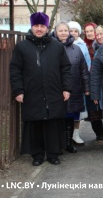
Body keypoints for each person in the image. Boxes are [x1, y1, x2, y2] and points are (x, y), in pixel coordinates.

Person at [9, 12, 72, 166]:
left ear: (47, 27)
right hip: (32, 92)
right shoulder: (22, 46)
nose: (39, 29)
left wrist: (66, 88)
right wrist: (18, 90)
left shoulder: (57, 46)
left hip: (54, 91)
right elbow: (15, 69)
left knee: (53, 124)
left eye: (42, 26)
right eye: (36, 26)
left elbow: (65, 68)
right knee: (35, 124)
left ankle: (53, 154)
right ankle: (37, 155)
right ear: (32, 27)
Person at [52, 22, 90, 153]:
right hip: (56, 89)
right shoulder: (51, 48)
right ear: (56, 32)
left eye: (65, 30)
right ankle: (58, 144)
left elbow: (83, 70)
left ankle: (68, 143)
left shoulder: (76, 49)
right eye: (60, 30)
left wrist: (86, 88)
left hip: (74, 88)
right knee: (57, 118)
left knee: (70, 117)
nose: (63, 33)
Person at [68, 20, 91, 144]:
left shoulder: (82, 46)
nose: (73, 33)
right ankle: (66, 135)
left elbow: (87, 64)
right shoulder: (61, 44)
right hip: (66, 83)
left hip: (78, 82)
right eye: (70, 31)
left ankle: (76, 134)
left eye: (75, 31)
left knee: (77, 112)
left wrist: (85, 83)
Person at [83, 22, 103, 141]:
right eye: (87, 32)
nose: (90, 33)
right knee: (93, 108)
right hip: (90, 79)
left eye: (92, 31)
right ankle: (99, 132)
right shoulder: (83, 45)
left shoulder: (102, 44)